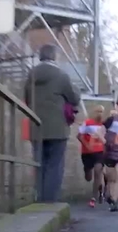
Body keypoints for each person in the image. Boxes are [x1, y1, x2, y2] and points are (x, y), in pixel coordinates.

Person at [24, 44, 81, 203]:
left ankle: (39, 199)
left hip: (36, 128)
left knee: (39, 164)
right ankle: (50, 202)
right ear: (54, 56)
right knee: (55, 166)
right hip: (57, 128)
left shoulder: (31, 75)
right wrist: (76, 90)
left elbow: (27, 99)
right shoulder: (61, 75)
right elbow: (74, 98)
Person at [78, 105, 105, 208]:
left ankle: (94, 197)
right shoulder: (87, 123)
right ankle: (87, 171)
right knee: (88, 177)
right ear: (94, 112)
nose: (100, 114)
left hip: (99, 152)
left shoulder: (103, 125)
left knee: (98, 171)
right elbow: (79, 136)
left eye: (102, 112)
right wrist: (87, 145)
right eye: (98, 111)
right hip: (87, 153)